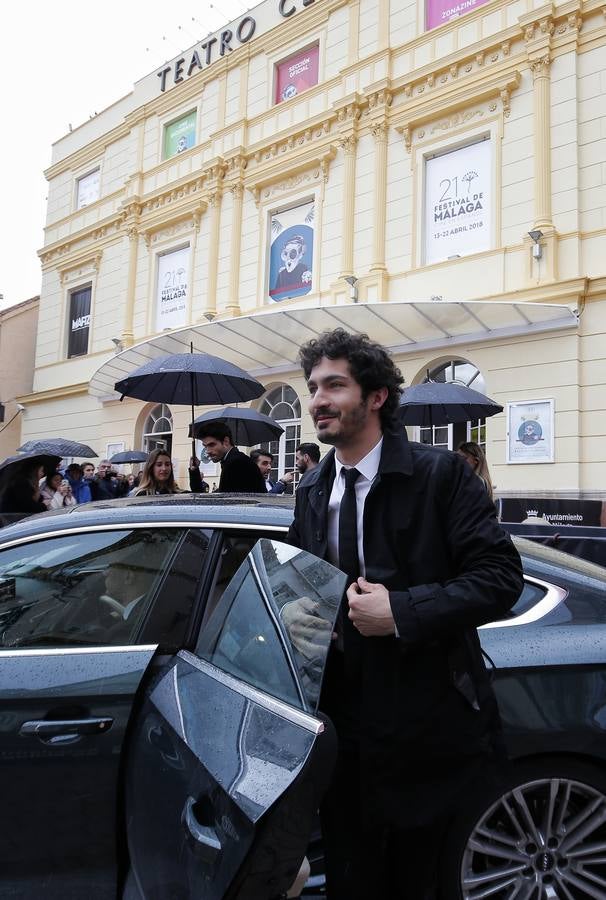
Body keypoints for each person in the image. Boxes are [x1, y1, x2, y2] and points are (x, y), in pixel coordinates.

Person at [287, 328, 523, 899]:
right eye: (314, 386)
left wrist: (401, 612)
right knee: (354, 879)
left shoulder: (440, 475)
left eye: (335, 385)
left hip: (430, 723)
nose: (318, 399)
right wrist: (294, 608)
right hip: (343, 729)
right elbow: (297, 577)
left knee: (422, 882)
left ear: (376, 397)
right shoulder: (314, 487)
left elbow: (500, 579)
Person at [189, 423, 266, 493]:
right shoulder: (232, 460)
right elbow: (200, 496)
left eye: (211, 445)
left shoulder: (236, 463)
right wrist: (194, 470)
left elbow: (225, 503)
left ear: (226, 441)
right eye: (205, 446)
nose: (208, 451)